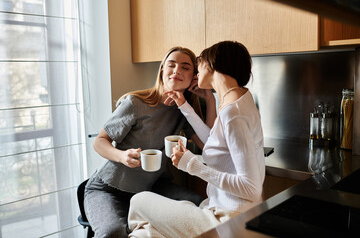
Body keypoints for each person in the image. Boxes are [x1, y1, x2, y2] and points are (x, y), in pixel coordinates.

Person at [127, 41, 266, 238]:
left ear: (212, 65)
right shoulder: (238, 98)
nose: (195, 74)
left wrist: (192, 165)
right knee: (147, 235)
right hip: (226, 212)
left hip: (229, 221)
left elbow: (250, 188)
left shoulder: (233, 112)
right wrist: (185, 106)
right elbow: (215, 142)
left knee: (138, 202)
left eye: (198, 64)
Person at [84, 46, 216, 238]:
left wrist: (210, 99)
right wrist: (122, 156)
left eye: (185, 67)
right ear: (162, 70)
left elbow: (209, 145)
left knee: (198, 207)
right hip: (108, 189)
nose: (177, 70)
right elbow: (99, 141)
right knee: (112, 233)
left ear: (193, 78)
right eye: (171, 65)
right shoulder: (135, 103)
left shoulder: (184, 110)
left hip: (152, 186)